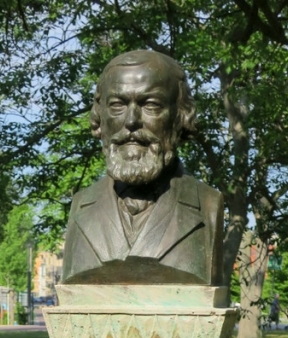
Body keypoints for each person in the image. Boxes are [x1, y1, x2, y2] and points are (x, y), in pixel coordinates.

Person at [61, 50, 223, 286]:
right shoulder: (81, 206)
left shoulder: (207, 204)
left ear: (180, 116)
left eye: (151, 105)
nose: (131, 121)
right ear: (100, 117)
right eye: (117, 105)